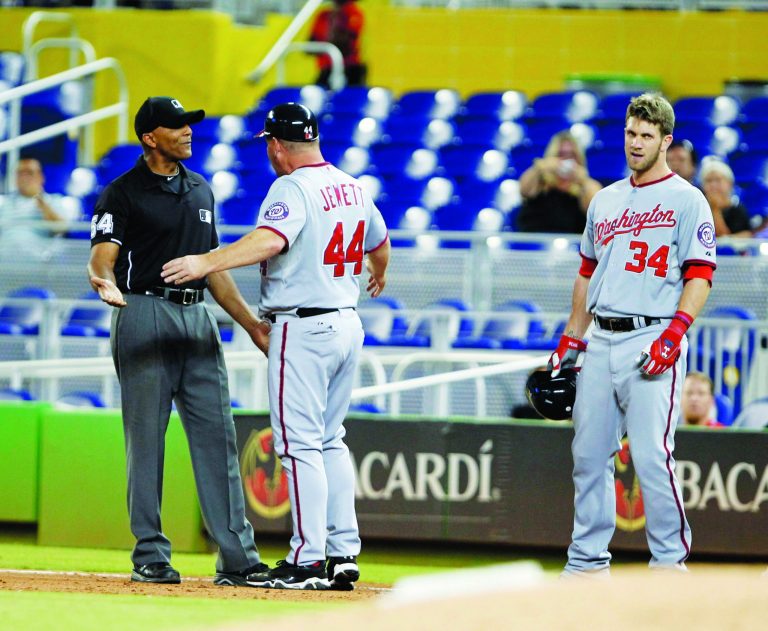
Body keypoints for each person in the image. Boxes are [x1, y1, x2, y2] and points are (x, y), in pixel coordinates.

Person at [161, 102, 390, 591]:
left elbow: (270, 240)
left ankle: (307, 559)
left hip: (303, 326)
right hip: (347, 322)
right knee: (330, 440)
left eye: (268, 143)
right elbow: (379, 240)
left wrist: (206, 262)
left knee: (299, 444)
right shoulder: (352, 185)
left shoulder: (292, 187)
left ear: (276, 145)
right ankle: (343, 552)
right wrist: (380, 271)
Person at [87, 96, 268, 587]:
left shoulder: (200, 190)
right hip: (142, 311)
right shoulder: (121, 193)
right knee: (146, 440)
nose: (189, 132)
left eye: (189, 125)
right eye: (177, 126)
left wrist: (251, 325)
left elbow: (212, 268)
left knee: (219, 439)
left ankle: (238, 556)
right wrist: (103, 280)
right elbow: (103, 255)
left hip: (198, 319)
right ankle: (150, 553)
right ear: (150, 138)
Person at [550, 93, 716, 577]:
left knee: (650, 456)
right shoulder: (605, 199)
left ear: (665, 140)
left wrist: (676, 332)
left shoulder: (688, 199)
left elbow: (700, 275)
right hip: (601, 337)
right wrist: (571, 339)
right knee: (588, 454)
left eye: (646, 135)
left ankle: (669, 565)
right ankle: (585, 565)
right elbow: (587, 273)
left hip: (652, 336)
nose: (636, 143)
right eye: (630, 133)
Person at [516, 131, 602, 233]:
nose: (566, 160)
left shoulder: (585, 185)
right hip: (535, 241)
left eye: (571, 155)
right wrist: (540, 167)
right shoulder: (540, 182)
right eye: (561, 154)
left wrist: (583, 180)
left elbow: (598, 211)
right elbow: (524, 190)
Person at [0, 157, 72, 261]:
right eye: (20, 173)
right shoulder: (3, 202)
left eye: (29, 173)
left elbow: (62, 229)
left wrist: (42, 203)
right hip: (5, 262)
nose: (24, 178)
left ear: (41, 177)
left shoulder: (53, 201)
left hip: (38, 262)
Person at [309, 0, 367, 89]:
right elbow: (311, 45)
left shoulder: (353, 12)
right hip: (326, 68)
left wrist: (324, 45)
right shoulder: (323, 15)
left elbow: (344, 44)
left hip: (349, 68)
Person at [699, 158, 752, 237]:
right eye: (709, 181)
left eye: (718, 180)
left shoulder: (738, 210)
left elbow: (723, 240)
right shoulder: (698, 209)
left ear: (729, 183)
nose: (713, 185)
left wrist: (715, 209)